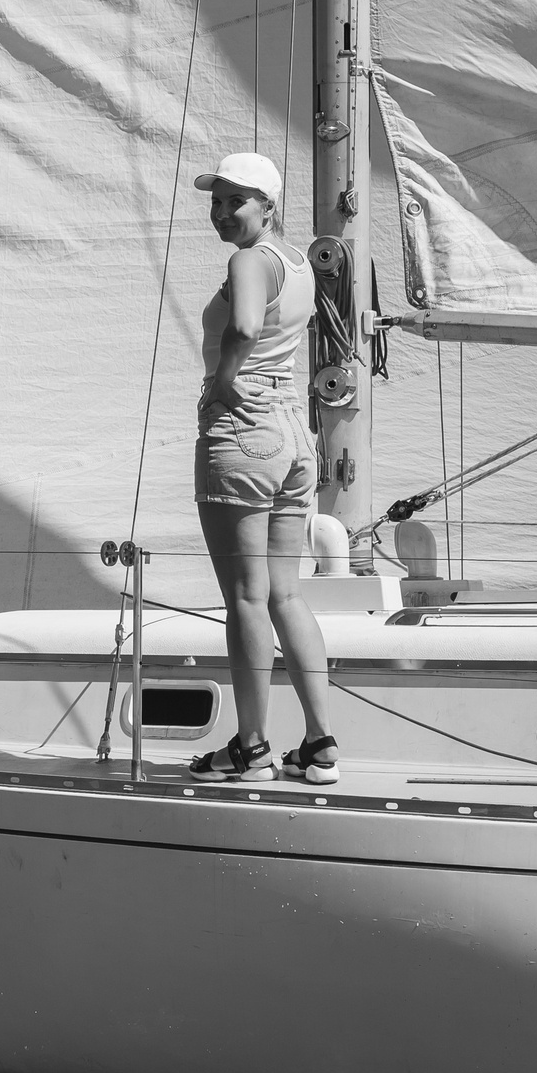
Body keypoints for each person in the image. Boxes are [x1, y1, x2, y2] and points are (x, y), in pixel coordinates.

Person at [188, 152, 339, 785]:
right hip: (290, 434)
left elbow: (246, 324)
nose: (222, 212)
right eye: (217, 200)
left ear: (268, 206)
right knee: (286, 594)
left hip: (243, 426)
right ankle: (320, 742)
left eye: (236, 201)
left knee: (246, 600)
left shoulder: (249, 259)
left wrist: (221, 381)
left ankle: (251, 748)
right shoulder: (299, 262)